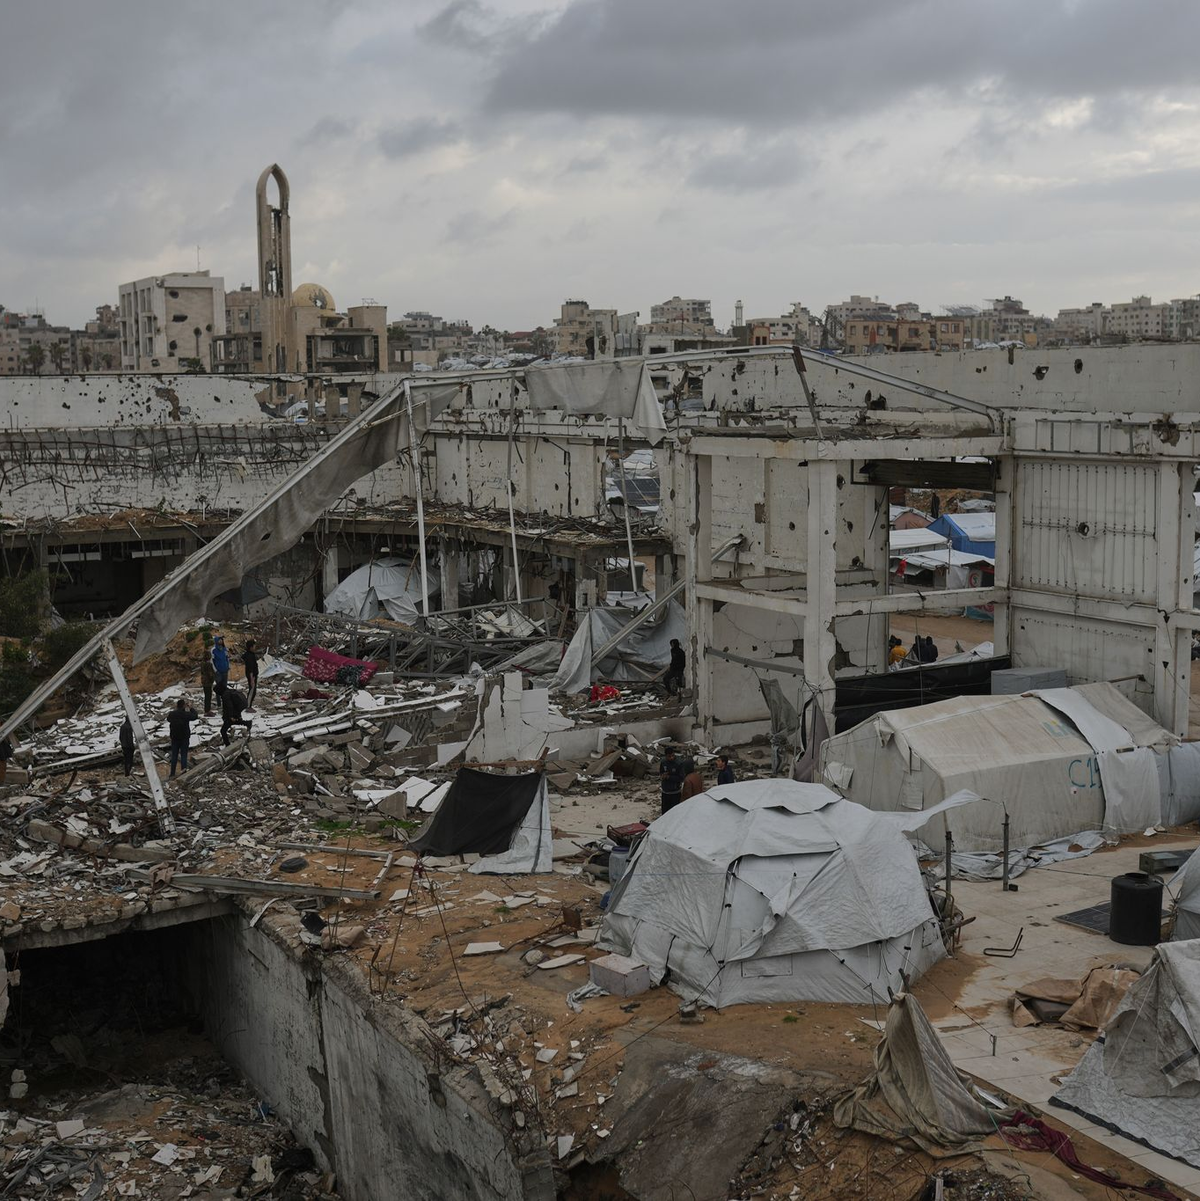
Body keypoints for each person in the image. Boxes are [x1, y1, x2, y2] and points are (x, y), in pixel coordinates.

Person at [167, 698, 198, 779]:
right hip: (184, 737)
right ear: (184, 705)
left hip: (174, 737)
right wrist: (191, 708)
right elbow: (195, 716)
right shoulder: (186, 714)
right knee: (184, 755)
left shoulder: (172, 714)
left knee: (174, 756)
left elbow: (168, 719)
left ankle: (172, 774)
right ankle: (183, 773)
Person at [659, 745, 687, 814]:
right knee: (665, 813)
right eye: (669, 756)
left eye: (672, 755)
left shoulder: (679, 763)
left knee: (674, 813)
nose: (671, 758)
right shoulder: (663, 762)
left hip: (675, 793)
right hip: (665, 792)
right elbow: (661, 772)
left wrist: (669, 777)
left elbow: (681, 778)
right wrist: (662, 776)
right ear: (666, 756)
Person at [242, 640, 260, 707]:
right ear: (250, 647)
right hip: (251, 675)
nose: (255, 647)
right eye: (254, 646)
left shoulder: (251, 654)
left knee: (253, 691)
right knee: (252, 691)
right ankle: (248, 706)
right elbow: (250, 668)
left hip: (253, 675)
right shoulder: (249, 656)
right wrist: (252, 678)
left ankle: (249, 705)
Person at [200, 648, 216, 715]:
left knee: (207, 696)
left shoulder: (202, 663)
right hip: (208, 682)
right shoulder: (208, 664)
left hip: (204, 680)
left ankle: (207, 710)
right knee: (208, 696)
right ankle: (207, 710)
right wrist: (213, 679)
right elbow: (210, 674)